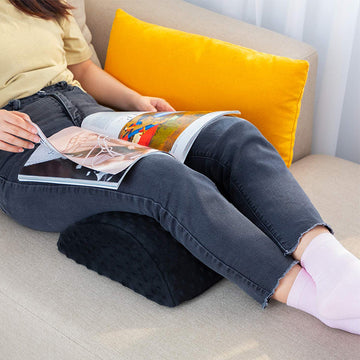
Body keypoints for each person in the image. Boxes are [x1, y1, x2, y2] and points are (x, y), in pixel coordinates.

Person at [1, 0, 359, 335]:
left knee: (233, 135)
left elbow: (80, 68)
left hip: (93, 115)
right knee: (157, 173)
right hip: (31, 140)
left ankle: (336, 267)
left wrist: (137, 101)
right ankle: (313, 297)